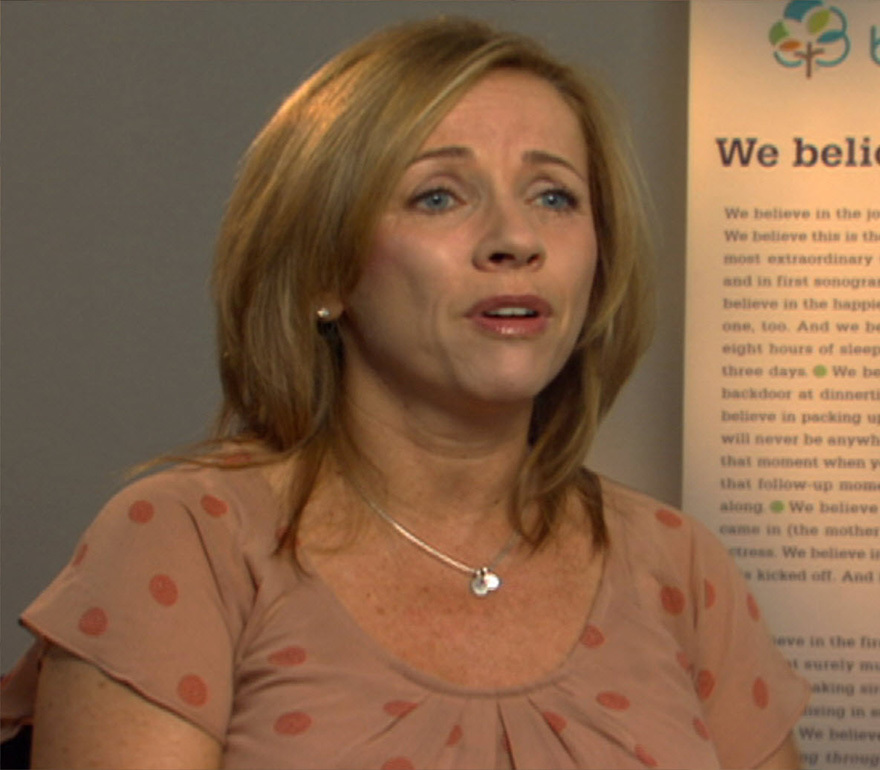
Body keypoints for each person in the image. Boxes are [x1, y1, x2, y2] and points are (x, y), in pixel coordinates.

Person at [0, 17, 809, 769]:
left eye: (554, 196)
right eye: (438, 196)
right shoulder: (188, 542)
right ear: (324, 269)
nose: (516, 240)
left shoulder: (680, 565)